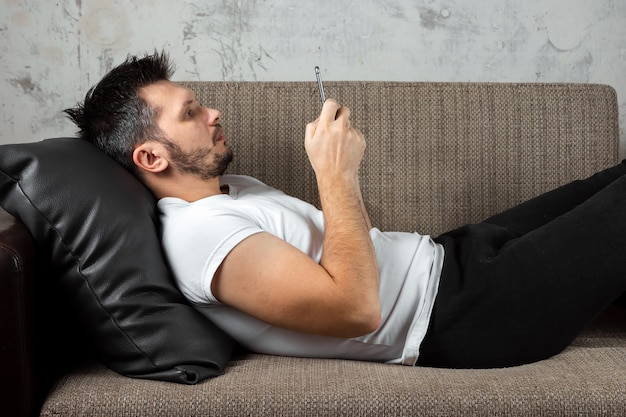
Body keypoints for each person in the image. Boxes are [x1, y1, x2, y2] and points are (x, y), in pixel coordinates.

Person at [65, 51, 626, 369]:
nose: (212, 112)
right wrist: (336, 174)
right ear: (150, 156)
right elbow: (358, 311)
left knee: (611, 179)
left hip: (455, 257)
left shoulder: (229, 191)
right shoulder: (199, 239)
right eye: (190, 112)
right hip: (467, 316)